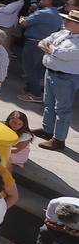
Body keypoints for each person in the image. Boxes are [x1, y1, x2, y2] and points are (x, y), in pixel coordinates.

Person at [38, 9, 79, 152]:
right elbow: (43, 42)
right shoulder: (63, 33)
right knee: (48, 103)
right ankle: (47, 130)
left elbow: (64, 54)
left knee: (62, 109)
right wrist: (51, 49)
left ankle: (59, 140)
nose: (65, 21)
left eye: (69, 20)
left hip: (66, 77)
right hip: (51, 72)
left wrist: (51, 49)